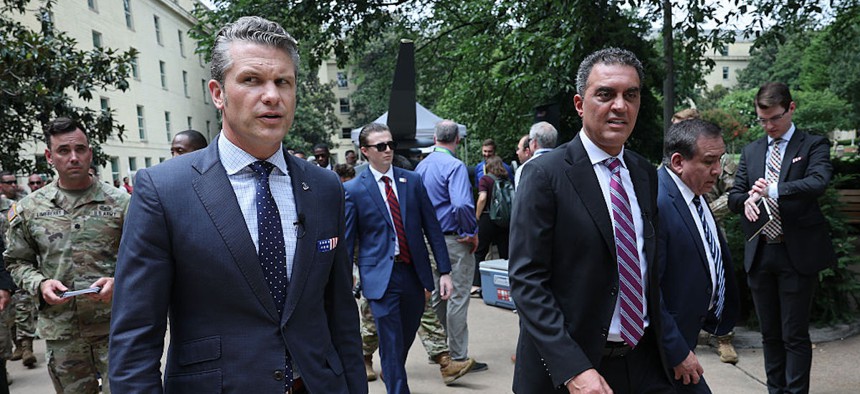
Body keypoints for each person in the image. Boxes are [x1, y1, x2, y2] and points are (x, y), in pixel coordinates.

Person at [108, 16, 366, 393]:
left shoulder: (325, 187)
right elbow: (134, 341)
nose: (272, 95)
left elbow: (341, 315)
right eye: (251, 80)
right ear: (218, 93)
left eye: (283, 82)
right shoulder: (163, 190)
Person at [509, 47, 673, 393]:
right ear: (580, 104)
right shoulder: (544, 175)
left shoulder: (645, 173)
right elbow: (527, 281)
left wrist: (675, 346)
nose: (620, 106)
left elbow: (648, 271)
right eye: (605, 94)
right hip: (570, 371)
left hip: (641, 362)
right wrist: (573, 369)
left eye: (631, 95)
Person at [4, 117, 130, 393]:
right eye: (63, 151)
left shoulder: (122, 204)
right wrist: (40, 284)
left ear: (90, 153)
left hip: (115, 327)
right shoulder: (29, 209)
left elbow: (145, 258)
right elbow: (16, 261)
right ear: (49, 156)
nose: (74, 158)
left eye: (80, 149)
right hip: (63, 334)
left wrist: (118, 280)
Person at [728, 82, 835, 394]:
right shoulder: (752, 150)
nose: (768, 126)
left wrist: (774, 189)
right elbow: (735, 195)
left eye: (774, 118)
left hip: (796, 253)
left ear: (791, 109)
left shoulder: (813, 144)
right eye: (762, 120)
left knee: (794, 334)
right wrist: (746, 199)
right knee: (770, 335)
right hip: (761, 253)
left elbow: (818, 181)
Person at [344, 123, 454, 393]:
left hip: (413, 276)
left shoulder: (412, 181)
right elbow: (347, 243)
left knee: (402, 340)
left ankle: (392, 372)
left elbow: (432, 228)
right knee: (391, 344)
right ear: (365, 151)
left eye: (391, 144)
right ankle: (397, 386)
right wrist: (344, 284)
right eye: (381, 146)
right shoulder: (355, 190)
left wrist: (445, 271)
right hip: (380, 278)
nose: (388, 150)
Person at [657, 119, 740, 392]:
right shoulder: (657, 201)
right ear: (679, 162)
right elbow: (647, 289)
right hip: (662, 351)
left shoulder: (694, 192)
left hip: (685, 339)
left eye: (720, 160)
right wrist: (676, 350)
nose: (717, 171)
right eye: (709, 161)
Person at [415, 120, 486, 373]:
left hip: (427, 240)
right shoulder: (454, 166)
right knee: (457, 296)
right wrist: (471, 231)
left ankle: (440, 352)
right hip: (453, 239)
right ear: (457, 140)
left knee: (437, 296)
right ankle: (457, 355)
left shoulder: (421, 167)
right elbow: (461, 204)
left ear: (434, 138)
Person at [470, 156, 510, 295]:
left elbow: (482, 198)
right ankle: (509, 283)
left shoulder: (485, 179)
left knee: (480, 252)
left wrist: (477, 215)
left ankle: (476, 284)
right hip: (504, 220)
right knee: (505, 253)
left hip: (487, 217)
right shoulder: (505, 180)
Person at [515, 121, 558, 188]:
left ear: (534, 143)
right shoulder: (566, 163)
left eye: (530, 140)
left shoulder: (524, 169)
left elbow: (521, 197)